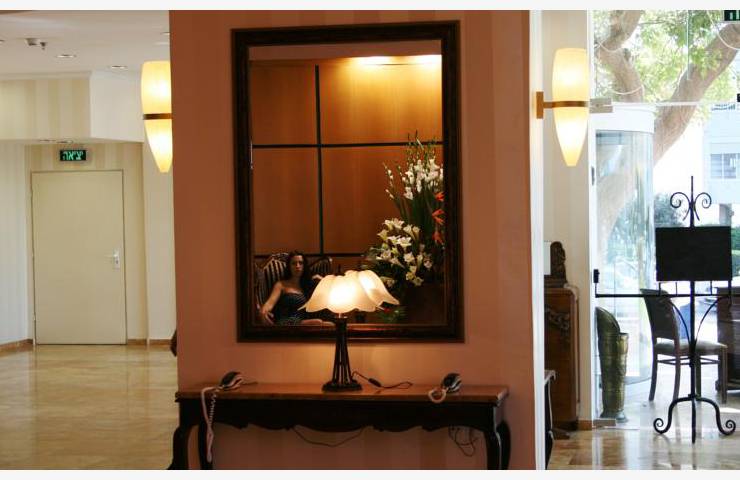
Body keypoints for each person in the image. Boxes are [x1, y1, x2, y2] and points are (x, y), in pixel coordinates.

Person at [259, 251, 319, 326]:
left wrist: (322, 279)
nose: (297, 266)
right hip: (286, 322)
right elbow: (269, 304)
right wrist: (263, 312)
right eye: (294, 263)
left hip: (302, 323)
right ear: (289, 267)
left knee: (330, 324)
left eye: (301, 263)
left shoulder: (307, 286)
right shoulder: (281, 285)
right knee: (318, 322)